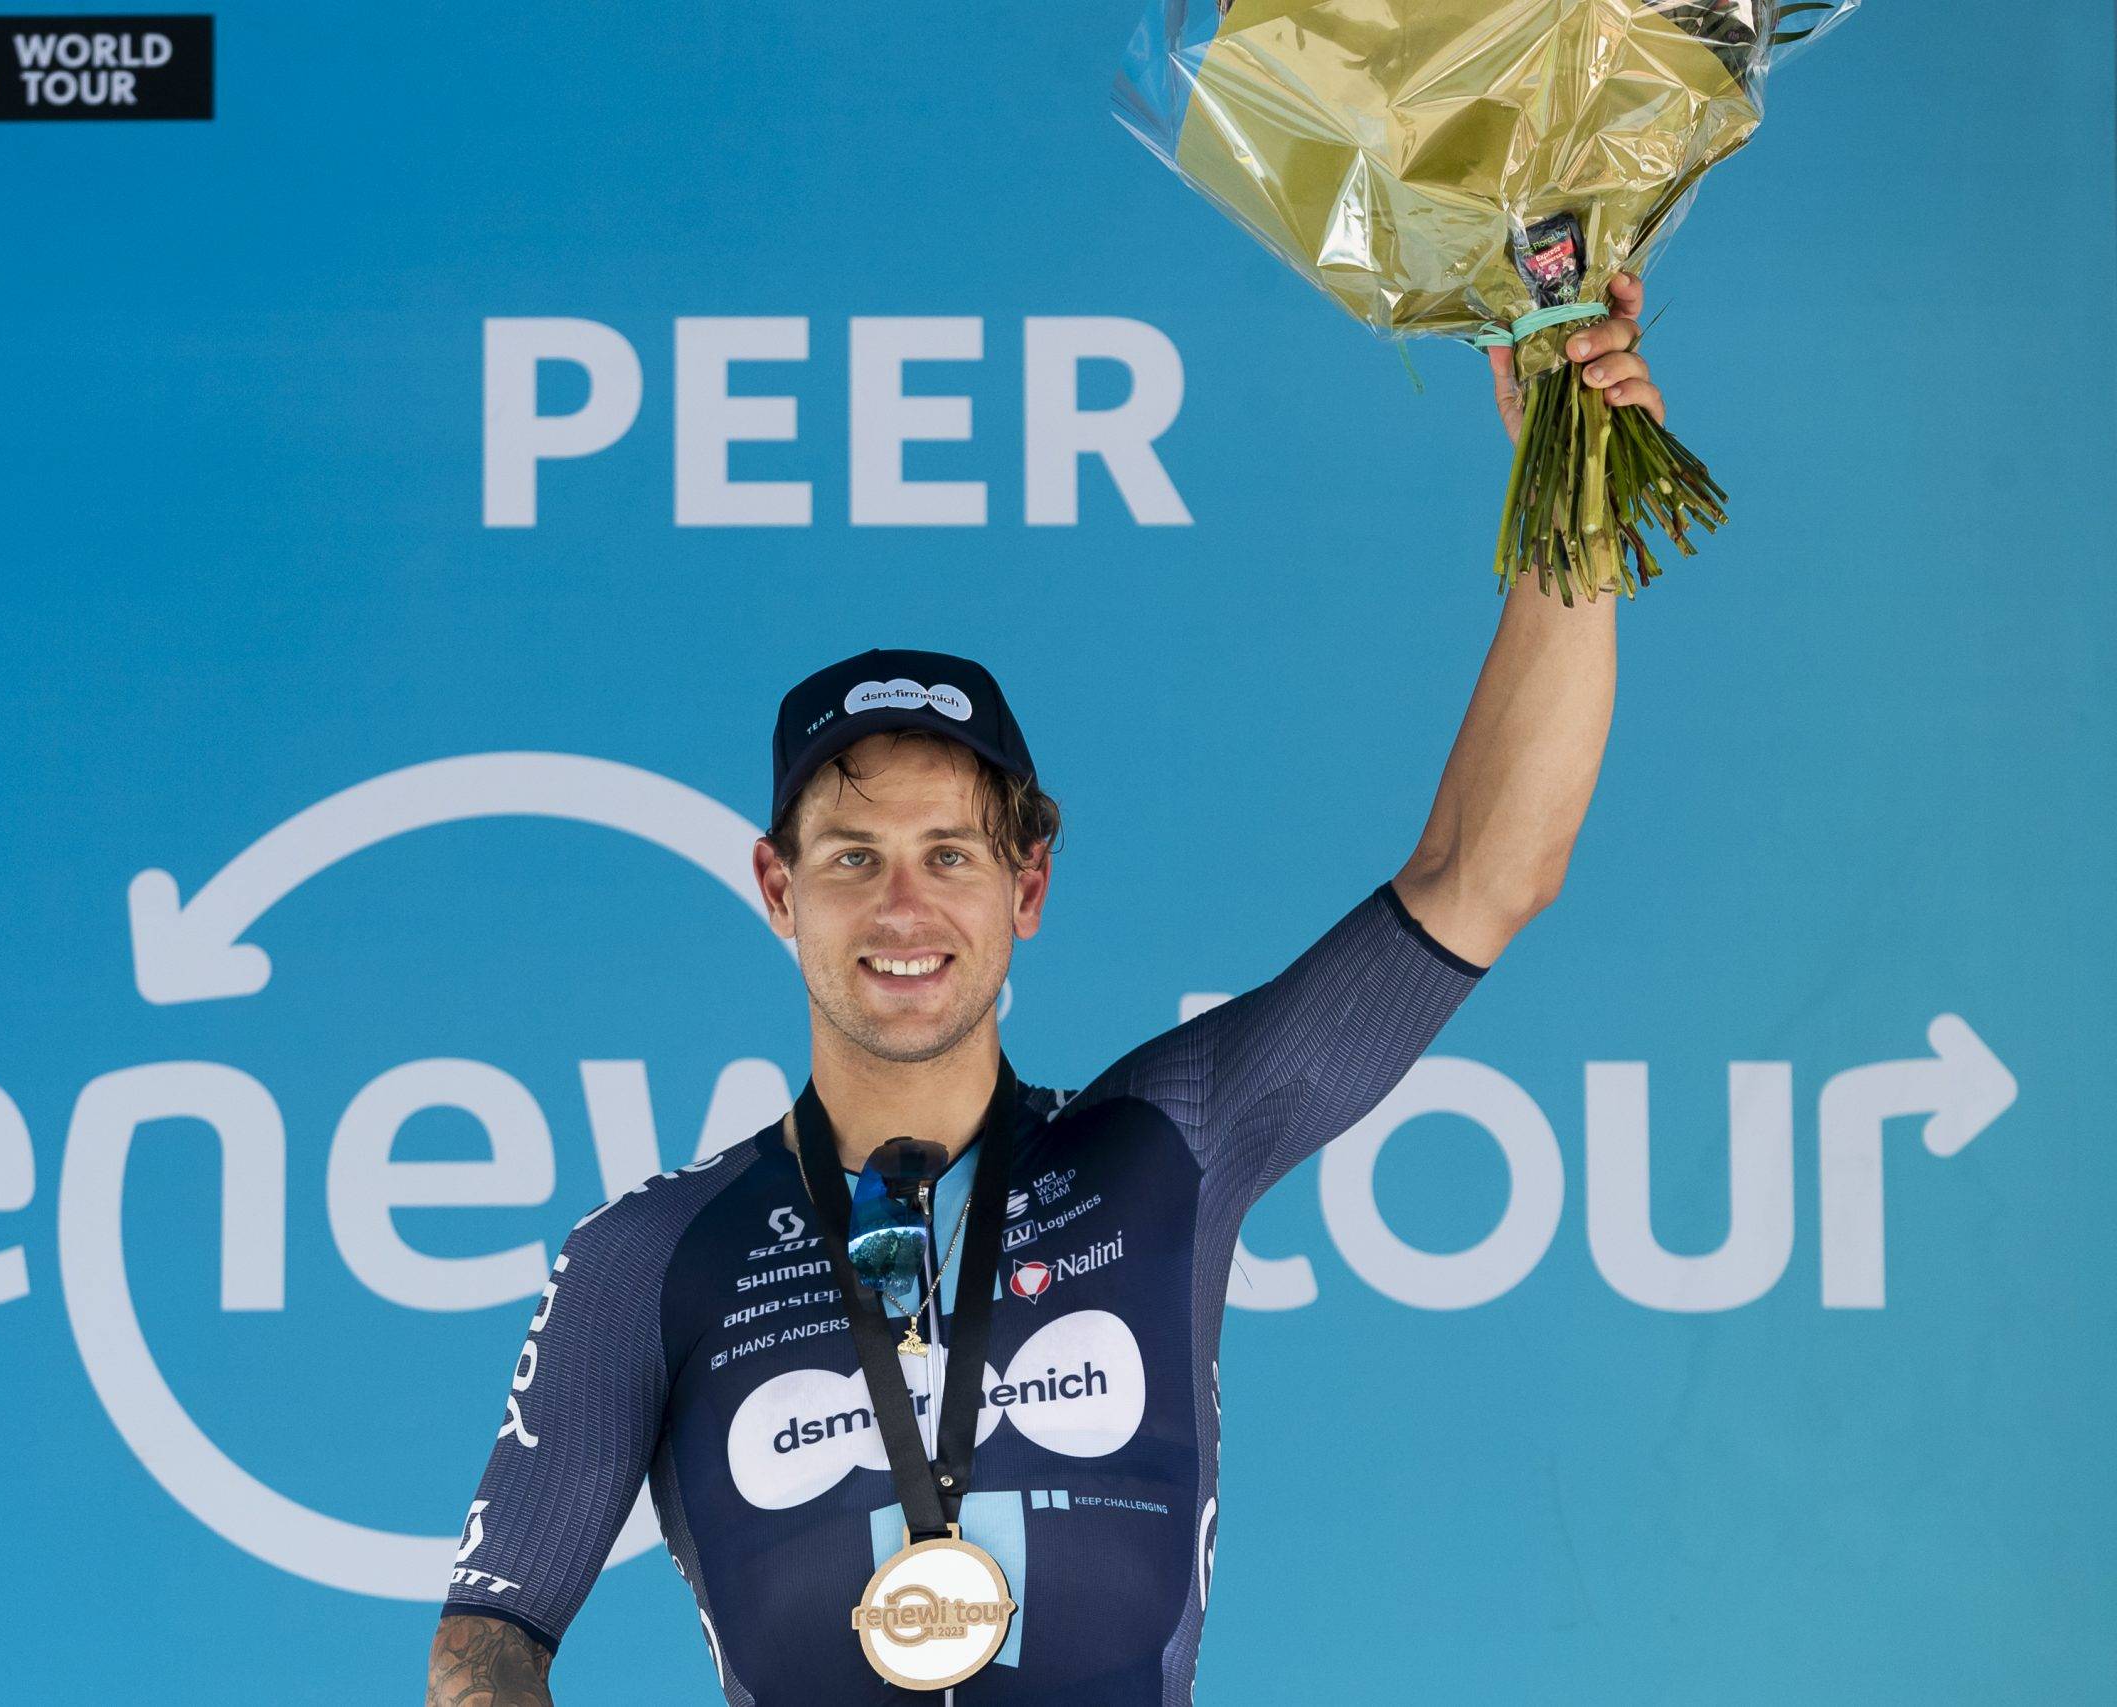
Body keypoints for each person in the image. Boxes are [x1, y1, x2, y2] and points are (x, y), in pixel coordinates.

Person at [425, 282, 1664, 1705]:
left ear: (1029, 886)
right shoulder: (649, 1256)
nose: (904, 909)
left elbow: (1480, 875)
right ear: (778, 890)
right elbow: (489, 1640)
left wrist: (1572, 493)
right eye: (853, 858)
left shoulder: (1165, 1144)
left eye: (951, 854)